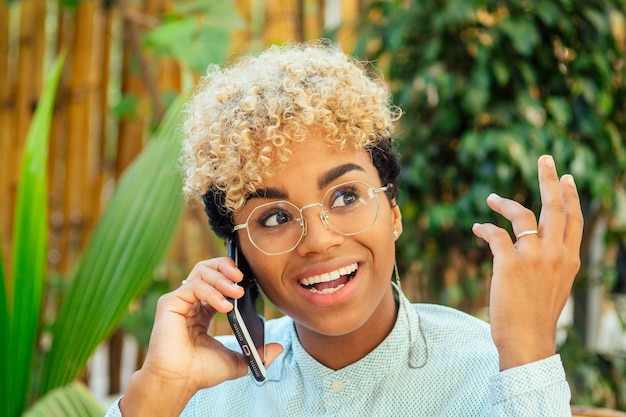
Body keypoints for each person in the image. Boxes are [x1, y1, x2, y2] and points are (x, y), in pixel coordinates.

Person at [106, 41, 583, 416]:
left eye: (346, 196)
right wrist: (160, 394)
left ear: (393, 212)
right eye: (273, 217)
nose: (319, 239)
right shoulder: (198, 390)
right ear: (239, 255)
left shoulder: (499, 371)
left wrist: (528, 351)